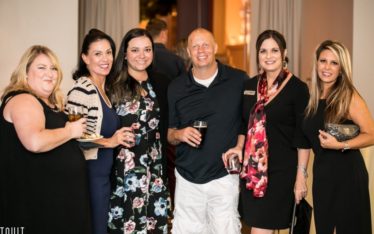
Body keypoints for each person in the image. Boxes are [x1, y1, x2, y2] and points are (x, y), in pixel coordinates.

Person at [0, 45, 91, 233]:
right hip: (36, 207)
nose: (49, 74)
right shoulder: (24, 99)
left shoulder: (47, 102)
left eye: (53, 68)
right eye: (41, 68)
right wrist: (70, 131)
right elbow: (34, 142)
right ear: (25, 73)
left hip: (53, 202)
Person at [167, 28, 248, 234]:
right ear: (188, 51)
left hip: (223, 177)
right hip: (187, 179)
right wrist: (180, 134)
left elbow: (247, 122)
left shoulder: (238, 80)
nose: (201, 50)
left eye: (205, 45)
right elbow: (169, 133)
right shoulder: (176, 87)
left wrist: (239, 147)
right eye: (195, 46)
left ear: (215, 48)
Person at [232, 30, 310, 233]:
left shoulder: (297, 88)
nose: (269, 56)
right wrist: (239, 148)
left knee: (260, 229)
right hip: (252, 173)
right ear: (257, 55)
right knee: (258, 227)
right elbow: (243, 124)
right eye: (263, 51)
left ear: (284, 53)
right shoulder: (249, 86)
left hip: (281, 173)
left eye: (274, 50)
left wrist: (301, 175)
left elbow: (302, 137)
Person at [300, 40, 374, 233]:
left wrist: (341, 145)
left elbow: (371, 134)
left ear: (341, 69)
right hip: (323, 176)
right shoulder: (314, 98)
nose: (327, 67)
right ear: (316, 64)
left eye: (334, 63)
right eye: (323, 60)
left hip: (347, 175)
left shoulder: (347, 96)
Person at [66, 28, 133, 234]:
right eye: (97, 53)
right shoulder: (81, 90)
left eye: (108, 52)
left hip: (103, 176)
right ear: (85, 58)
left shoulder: (105, 90)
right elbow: (73, 137)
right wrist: (110, 141)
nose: (105, 59)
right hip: (89, 175)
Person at [107, 28, 170, 233]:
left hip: (156, 169)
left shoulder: (162, 82)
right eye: (135, 50)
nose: (142, 55)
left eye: (147, 49)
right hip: (123, 172)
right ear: (124, 54)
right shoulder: (111, 84)